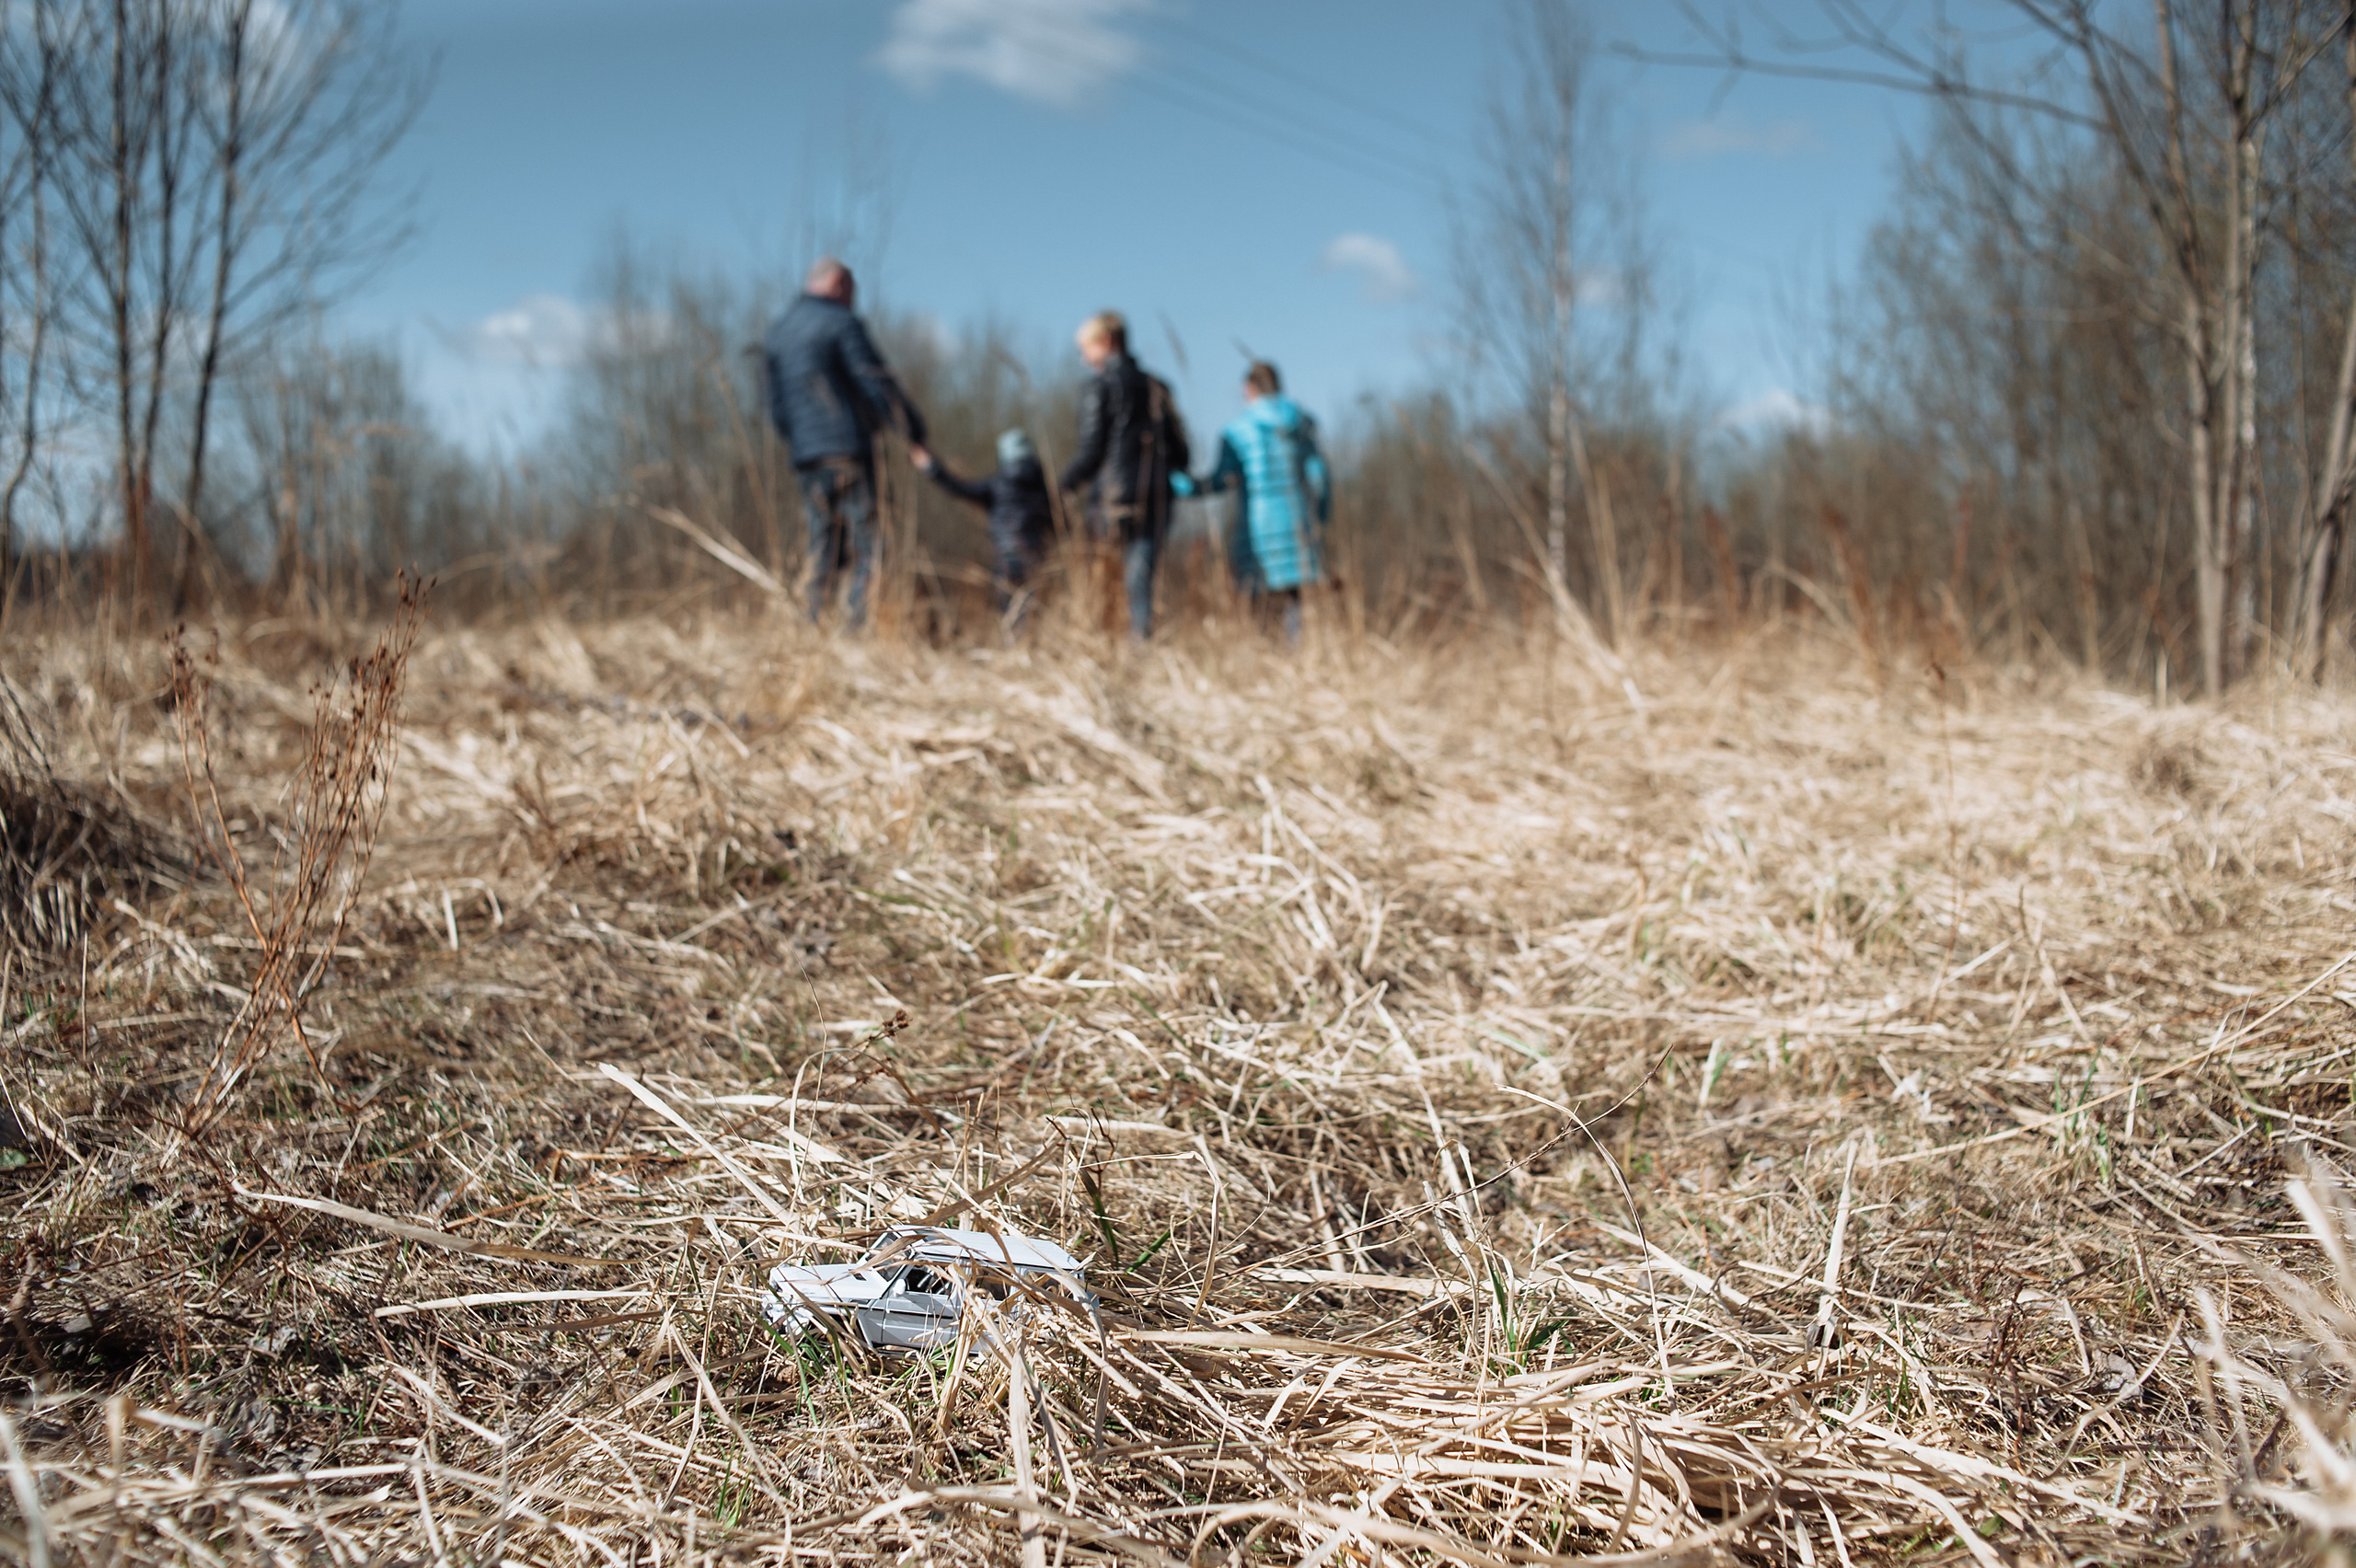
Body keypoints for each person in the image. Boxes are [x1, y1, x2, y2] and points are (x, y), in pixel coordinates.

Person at [761, 258, 927, 628]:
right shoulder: (841, 322)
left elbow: (774, 404)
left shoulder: (778, 331)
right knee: (871, 543)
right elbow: (875, 381)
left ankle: (813, 626)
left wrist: (798, 444)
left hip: (807, 458)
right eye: (852, 292)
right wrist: (913, 431)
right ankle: (857, 632)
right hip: (848, 450)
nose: (853, 301)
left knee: (822, 546)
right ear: (838, 284)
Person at [1058, 311, 1190, 640]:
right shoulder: (1159, 387)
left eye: (1085, 348)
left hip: (1112, 500)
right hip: (1157, 498)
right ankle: (1140, 645)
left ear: (1105, 342)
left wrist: (1060, 487)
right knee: (1140, 578)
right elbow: (1182, 454)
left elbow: (1091, 452)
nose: (1083, 358)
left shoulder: (1098, 387)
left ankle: (1101, 646)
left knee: (1100, 578)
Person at [1187, 360, 1332, 643]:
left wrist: (1184, 486)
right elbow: (1319, 478)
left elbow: (1220, 480)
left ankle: (1269, 662)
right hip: (1297, 522)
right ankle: (1295, 660)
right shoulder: (1301, 424)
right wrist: (1321, 517)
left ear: (1249, 389)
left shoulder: (1237, 431)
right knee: (1293, 599)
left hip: (1255, 526)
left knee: (1259, 598)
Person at [913, 429, 1056, 628]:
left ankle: (1015, 648)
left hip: (1005, 556)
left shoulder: (996, 485)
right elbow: (1057, 525)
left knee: (1010, 612)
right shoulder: (1044, 489)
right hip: (1035, 556)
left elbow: (959, 488)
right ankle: (1028, 647)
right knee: (1033, 610)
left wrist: (931, 466)